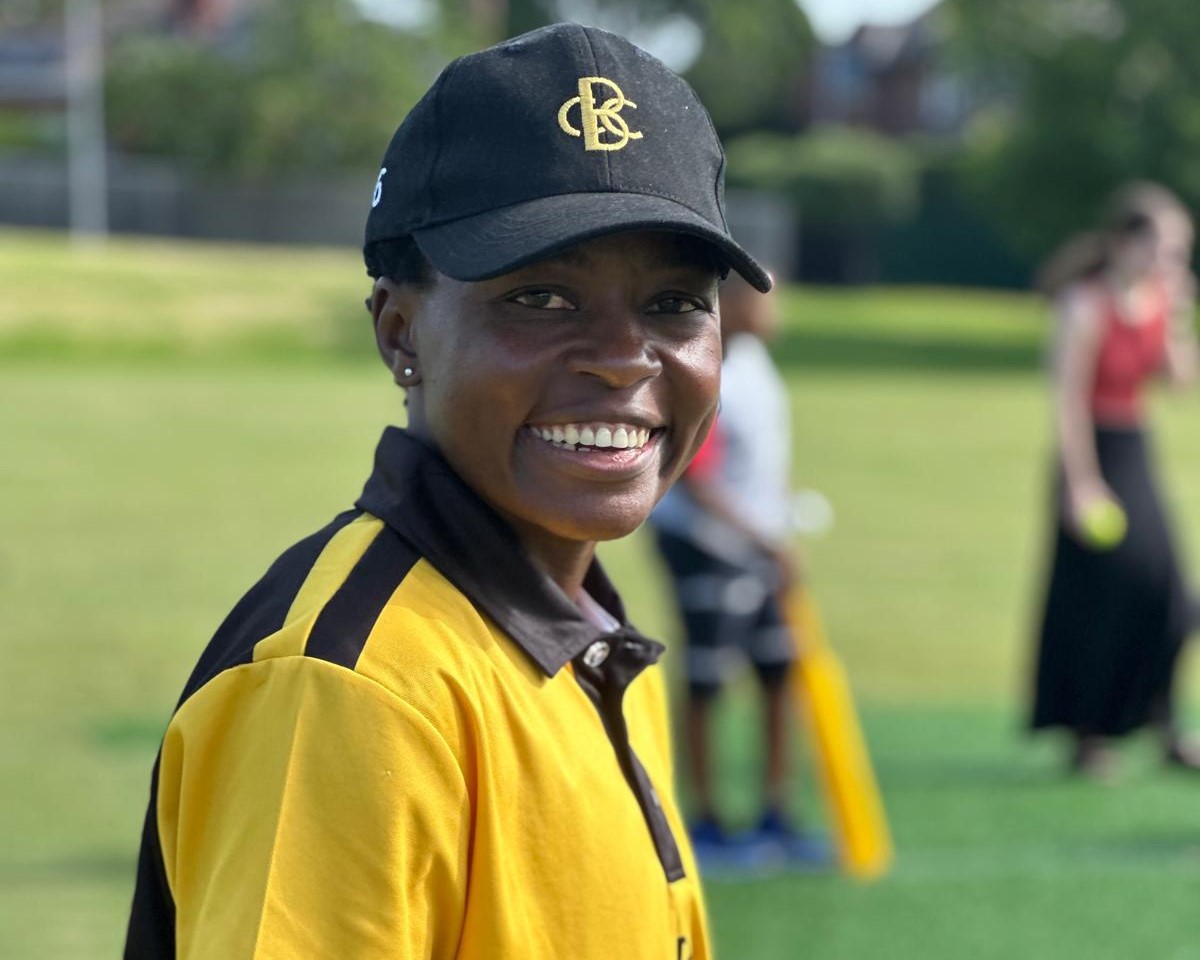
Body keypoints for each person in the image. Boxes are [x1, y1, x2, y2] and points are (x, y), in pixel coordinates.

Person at [123, 23, 773, 959]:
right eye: (541, 298)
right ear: (400, 334)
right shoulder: (352, 691)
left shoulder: (584, 632)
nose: (626, 357)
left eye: (674, 302)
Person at [649, 273, 827, 867]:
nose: (779, 309)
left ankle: (776, 813)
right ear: (738, 301)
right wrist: (763, 538)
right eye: (769, 295)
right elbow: (696, 477)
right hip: (704, 542)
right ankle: (705, 821)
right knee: (708, 678)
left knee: (780, 669)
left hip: (759, 545)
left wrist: (779, 524)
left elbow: (767, 457)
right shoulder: (710, 365)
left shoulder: (757, 363)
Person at [1031, 181, 1200, 779]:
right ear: (1129, 242)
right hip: (1091, 453)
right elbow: (1068, 401)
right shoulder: (1083, 304)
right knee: (1095, 602)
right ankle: (1088, 736)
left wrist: (1177, 315)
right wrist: (1080, 484)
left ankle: (1164, 726)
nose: (1174, 262)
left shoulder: (1160, 301)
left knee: (1174, 599)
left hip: (1136, 448)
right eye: (1167, 248)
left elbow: (1180, 384)